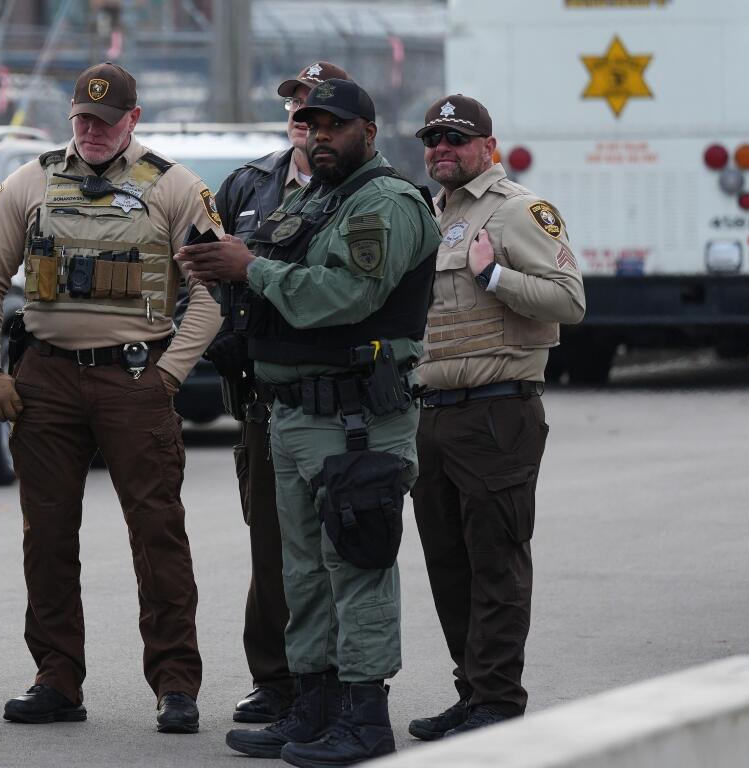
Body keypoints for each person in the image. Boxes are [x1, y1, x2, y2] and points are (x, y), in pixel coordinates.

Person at [178, 78, 441, 766]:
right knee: (304, 574)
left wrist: (252, 267)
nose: (319, 134)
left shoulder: (384, 201)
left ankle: (364, 719)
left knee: (356, 567)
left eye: (334, 124)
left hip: (356, 416)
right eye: (308, 123)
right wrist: (218, 270)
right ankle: (314, 706)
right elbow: (274, 283)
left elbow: (346, 296)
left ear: (368, 130)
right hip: (293, 412)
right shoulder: (311, 198)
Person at [0, 62, 223, 734]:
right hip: (45, 379)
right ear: (70, 116)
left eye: (106, 123)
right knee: (46, 536)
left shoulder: (175, 187)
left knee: (156, 531)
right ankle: (56, 678)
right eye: (83, 119)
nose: (93, 132)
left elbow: (213, 295)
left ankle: (174, 683)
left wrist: (169, 376)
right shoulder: (29, 182)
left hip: (135, 376)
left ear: (133, 120)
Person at [406, 94, 585, 740]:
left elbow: (570, 300)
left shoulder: (517, 211)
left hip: (496, 413)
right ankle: (472, 690)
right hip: (432, 413)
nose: (441, 150)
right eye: (433, 140)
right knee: (447, 563)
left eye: (455, 139)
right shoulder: (427, 215)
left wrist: (494, 277)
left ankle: (499, 700)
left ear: (487, 145)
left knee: (496, 561)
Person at [211, 59, 349, 725]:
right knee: (272, 544)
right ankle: (275, 679)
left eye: (317, 105)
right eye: (295, 101)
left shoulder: (362, 191)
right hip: (262, 394)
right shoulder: (247, 183)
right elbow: (206, 261)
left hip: (341, 394)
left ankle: (342, 682)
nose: (302, 114)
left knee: (343, 545)